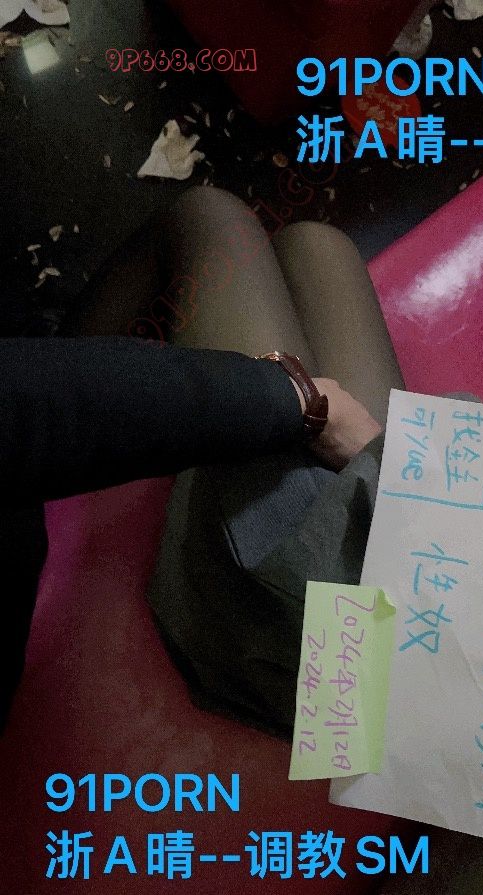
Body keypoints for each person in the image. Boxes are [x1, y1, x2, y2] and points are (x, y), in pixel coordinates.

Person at [0, 186, 405, 730]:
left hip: (337, 656)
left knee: (209, 217)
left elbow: (26, 413)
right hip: (451, 594)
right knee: (313, 243)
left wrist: (299, 402)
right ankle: (66, 347)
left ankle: (69, 345)